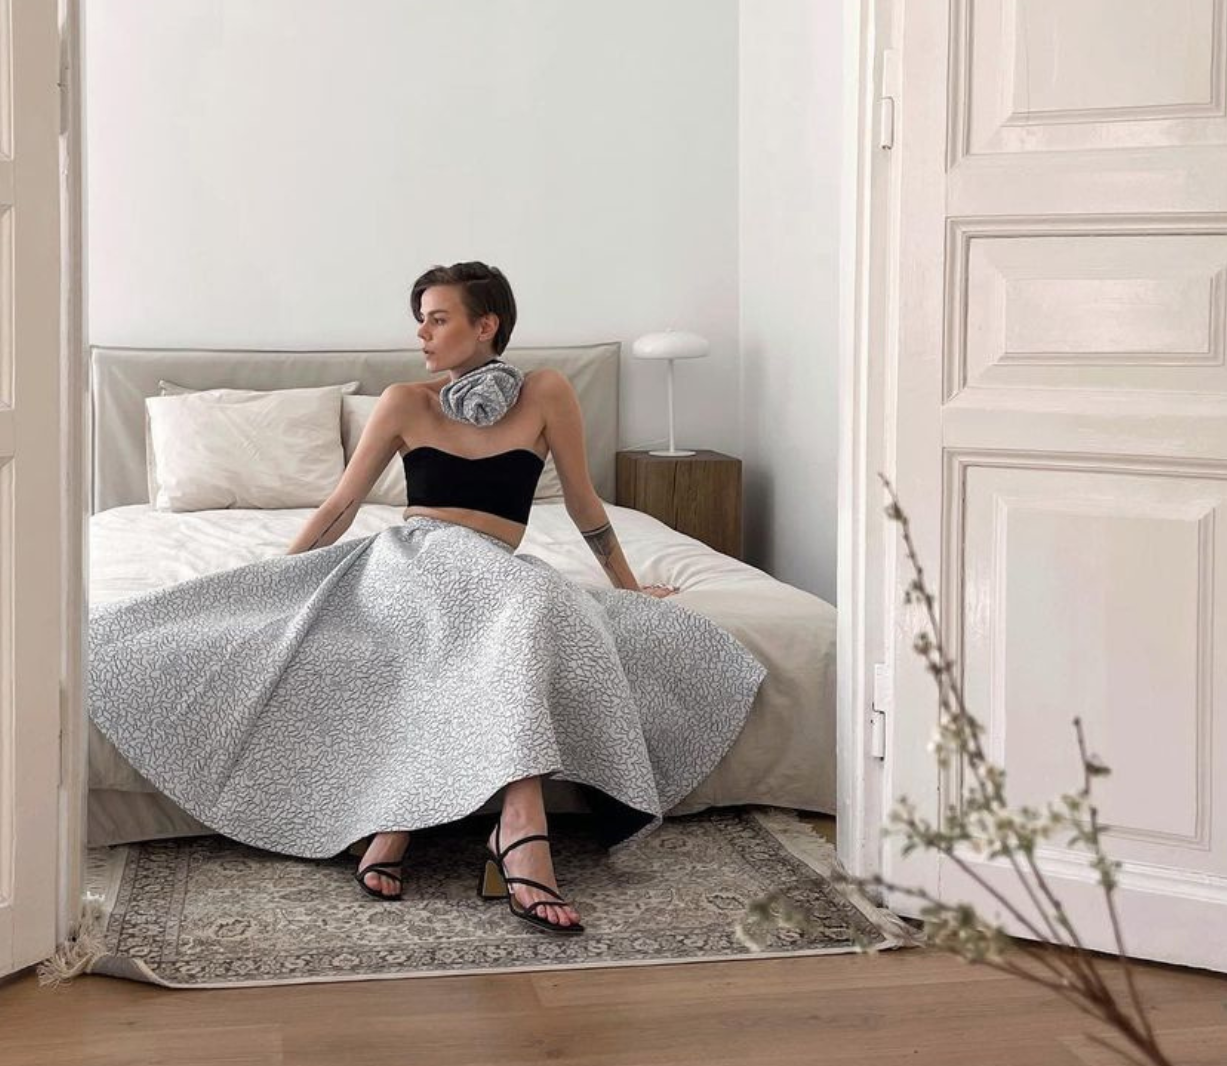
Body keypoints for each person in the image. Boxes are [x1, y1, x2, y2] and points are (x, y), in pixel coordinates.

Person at [86, 262, 767, 937]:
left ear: (486, 324)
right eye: (421, 320)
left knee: (527, 607)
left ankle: (407, 821)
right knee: (520, 606)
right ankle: (513, 830)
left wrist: (629, 586)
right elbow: (341, 505)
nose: (422, 333)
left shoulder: (546, 392)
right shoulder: (405, 401)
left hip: (496, 571)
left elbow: (585, 504)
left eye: (438, 319)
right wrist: (280, 580)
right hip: (412, 562)